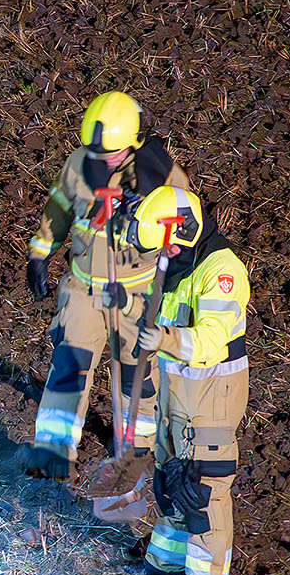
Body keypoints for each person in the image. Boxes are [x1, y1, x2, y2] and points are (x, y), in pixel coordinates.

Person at [21, 91, 188, 480]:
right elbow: (59, 207)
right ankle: (53, 453)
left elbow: (185, 229)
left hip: (137, 294)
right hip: (83, 290)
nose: (103, 159)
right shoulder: (79, 163)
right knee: (69, 366)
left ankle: (137, 449)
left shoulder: (164, 175)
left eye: (112, 153)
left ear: (133, 142)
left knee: (138, 373)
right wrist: (39, 253)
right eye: (97, 152)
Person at [121, 186, 249, 575]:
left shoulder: (221, 271)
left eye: (168, 246)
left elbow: (211, 341)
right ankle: (166, 560)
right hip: (176, 398)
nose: (164, 254)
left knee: (202, 491)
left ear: (186, 232)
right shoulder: (179, 266)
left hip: (210, 397)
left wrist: (164, 338)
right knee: (170, 480)